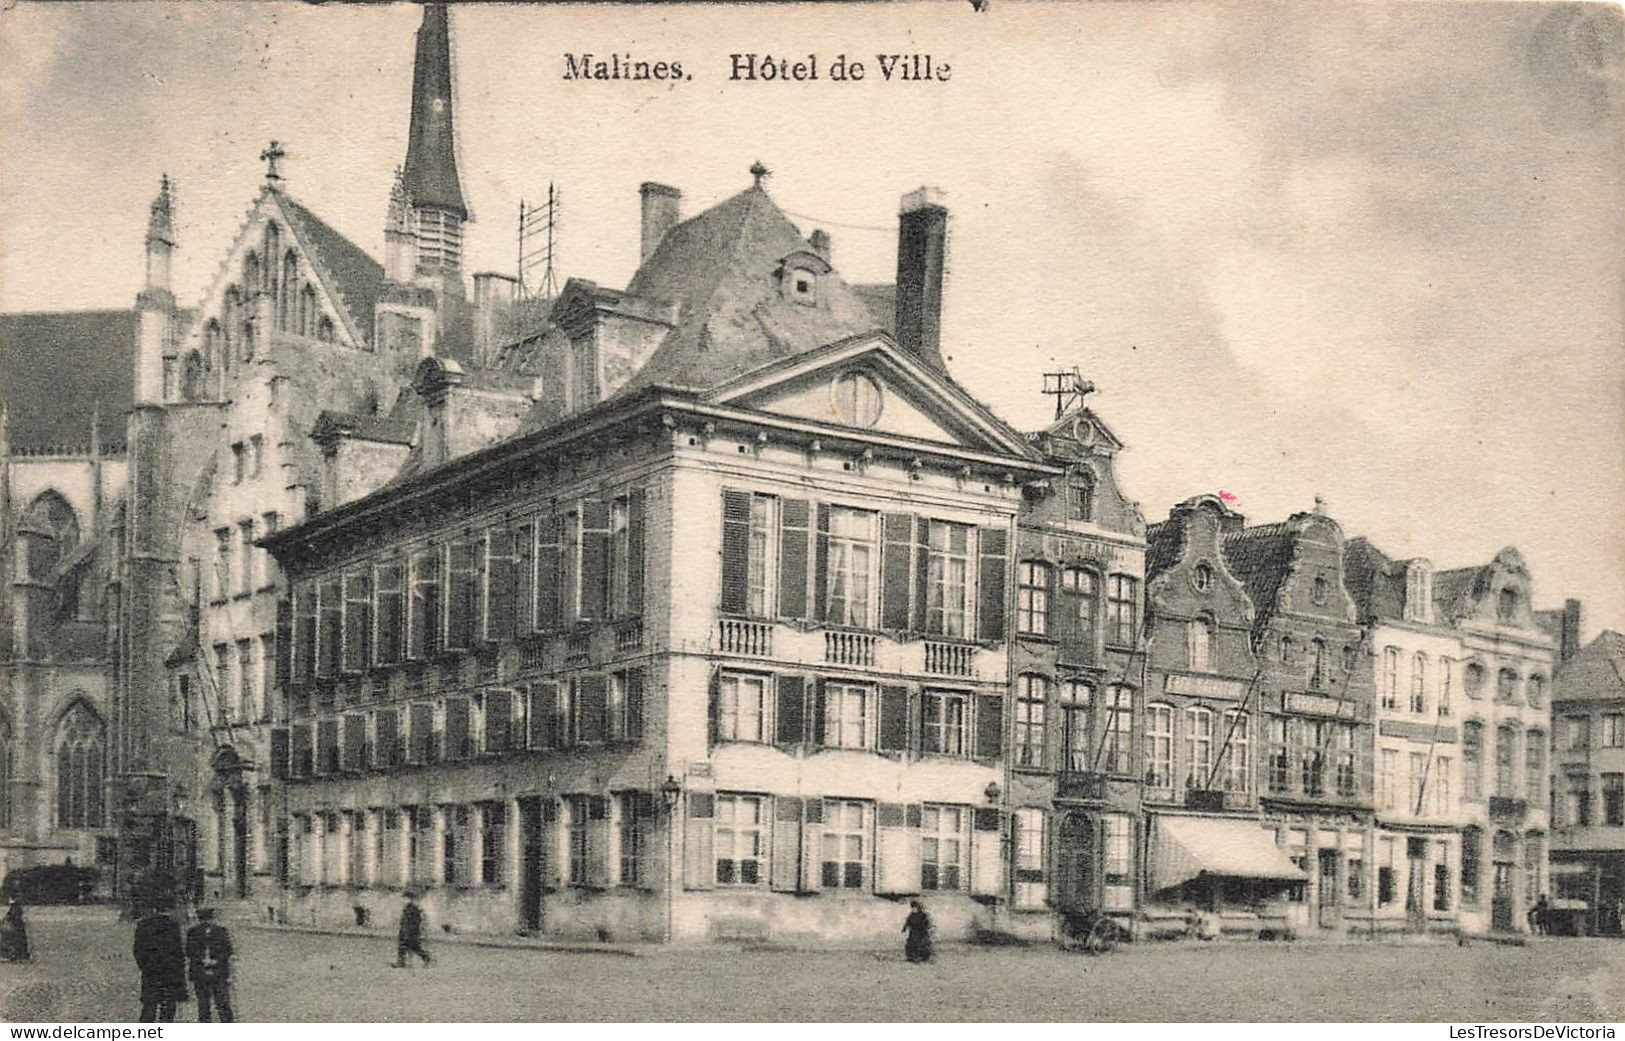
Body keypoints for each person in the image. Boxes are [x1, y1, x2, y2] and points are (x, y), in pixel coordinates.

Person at [133, 901, 187, 1022]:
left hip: (150, 972)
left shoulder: (143, 925)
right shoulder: (173, 926)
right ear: (169, 910)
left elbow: (138, 950)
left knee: (149, 1006)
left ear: (154, 909)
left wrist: (145, 967)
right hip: (170, 972)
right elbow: (178, 953)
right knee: (168, 1008)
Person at [185, 907, 235, 1022]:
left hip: (219, 973)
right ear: (200, 920)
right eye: (203, 920)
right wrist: (201, 960)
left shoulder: (221, 932)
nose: (206, 922)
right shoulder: (193, 933)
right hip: (200, 972)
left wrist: (216, 961)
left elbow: (228, 950)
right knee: (203, 1006)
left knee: (223, 1003)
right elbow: (189, 951)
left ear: (212, 919)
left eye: (208, 920)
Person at [394, 892, 431, 968]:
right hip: (405, 931)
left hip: (411, 932)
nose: (403, 900)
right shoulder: (407, 908)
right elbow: (403, 920)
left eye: (405, 898)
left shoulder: (414, 908)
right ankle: (401, 962)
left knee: (415, 947)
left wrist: (411, 931)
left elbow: (417, 921)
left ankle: (427, 959)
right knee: (402, 947)